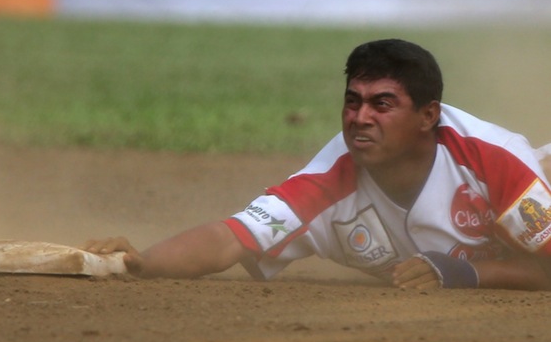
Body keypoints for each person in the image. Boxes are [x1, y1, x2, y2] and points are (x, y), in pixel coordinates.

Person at [85, 39, 551, 290]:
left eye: (382, 104)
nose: (360, 117)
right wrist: (142, 261)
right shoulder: (330, 179)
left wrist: (464, 274)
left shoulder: (492, 159)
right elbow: (231, 237)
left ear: (428, 116)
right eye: (352, 101)